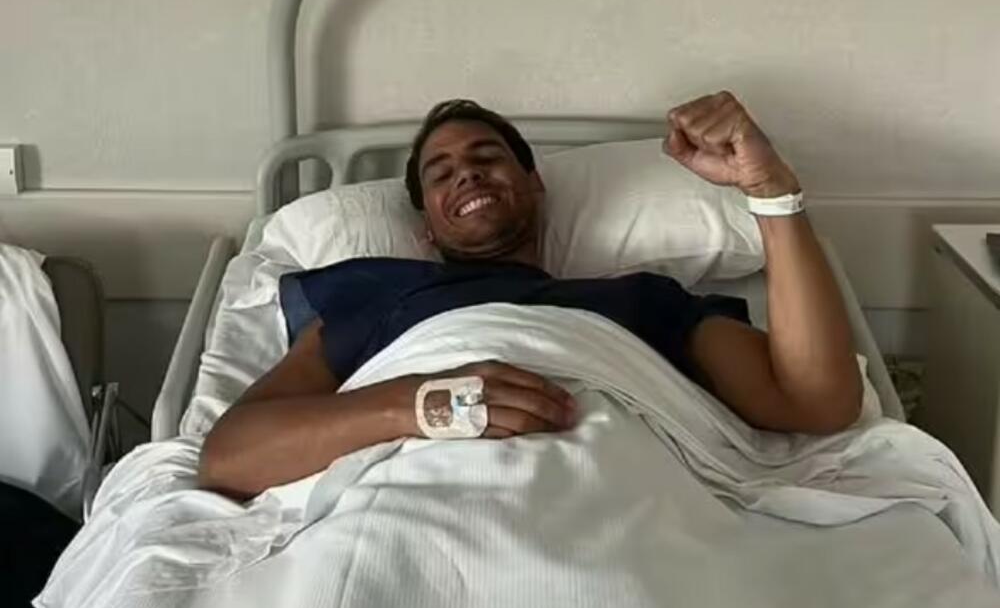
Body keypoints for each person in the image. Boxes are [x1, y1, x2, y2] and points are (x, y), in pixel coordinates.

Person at [198, 91, 862, 501]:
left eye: (487, 157)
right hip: (406, 498)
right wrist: (427, 405)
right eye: (441, 173)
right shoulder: (380, 294)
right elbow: (232, 454)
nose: (468, 174)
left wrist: (772, 191)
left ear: (535, 183)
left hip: (617, 493)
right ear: (426, 225)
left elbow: (818, 402)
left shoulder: (644, 300)